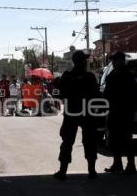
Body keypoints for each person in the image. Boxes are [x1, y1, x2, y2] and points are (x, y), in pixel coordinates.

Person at [54, 50, 100, 180]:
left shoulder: (68, 76)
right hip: (84, 113)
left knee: (70, 142)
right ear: (79, 62)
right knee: (86, 141)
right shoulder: (89, 77)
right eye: (84, 60)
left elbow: (61, 94)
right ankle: (91, 171)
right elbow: (96, 95)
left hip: (74, 113)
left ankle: (64, 171)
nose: (86, 62)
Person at [104, 51, 137, 174]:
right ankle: (117, 164)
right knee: (114, 139)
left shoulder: (130, 76)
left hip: (125, 113)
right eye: (113, 61)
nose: (114, 63)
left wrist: (132, 107)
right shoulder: (111, 76)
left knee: (126, 139)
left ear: (122, 61)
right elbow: (107, 94)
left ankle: (131, 165)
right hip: (114, 112)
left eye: (116, 60)